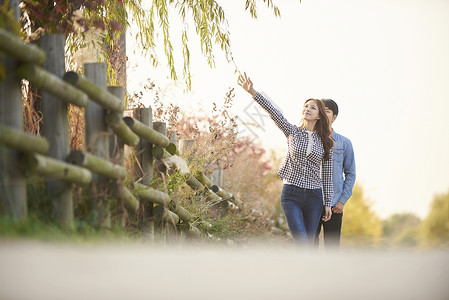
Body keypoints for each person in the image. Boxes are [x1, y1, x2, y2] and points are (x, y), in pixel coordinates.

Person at [238, 73, 334, 246]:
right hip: (292, 194)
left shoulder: (326, 142)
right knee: (302, 242)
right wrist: (252, 92)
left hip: (314, 197)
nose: (307, 109)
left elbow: (327, 174)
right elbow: (274, 113)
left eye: (312, 108)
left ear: (319, 115)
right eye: (305, 106)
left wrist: (328, 203)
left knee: (309, 245)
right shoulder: (292, 132)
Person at [314, 99, 356, 249]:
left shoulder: (344, 143)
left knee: (332, 249)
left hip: (334, 204)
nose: (323, 114)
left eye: (327, 111)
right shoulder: (309, 140)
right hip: (312, 202)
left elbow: (350, 173)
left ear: (334, 116)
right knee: (309, 248)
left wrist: (342, 200)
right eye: (321, 110)